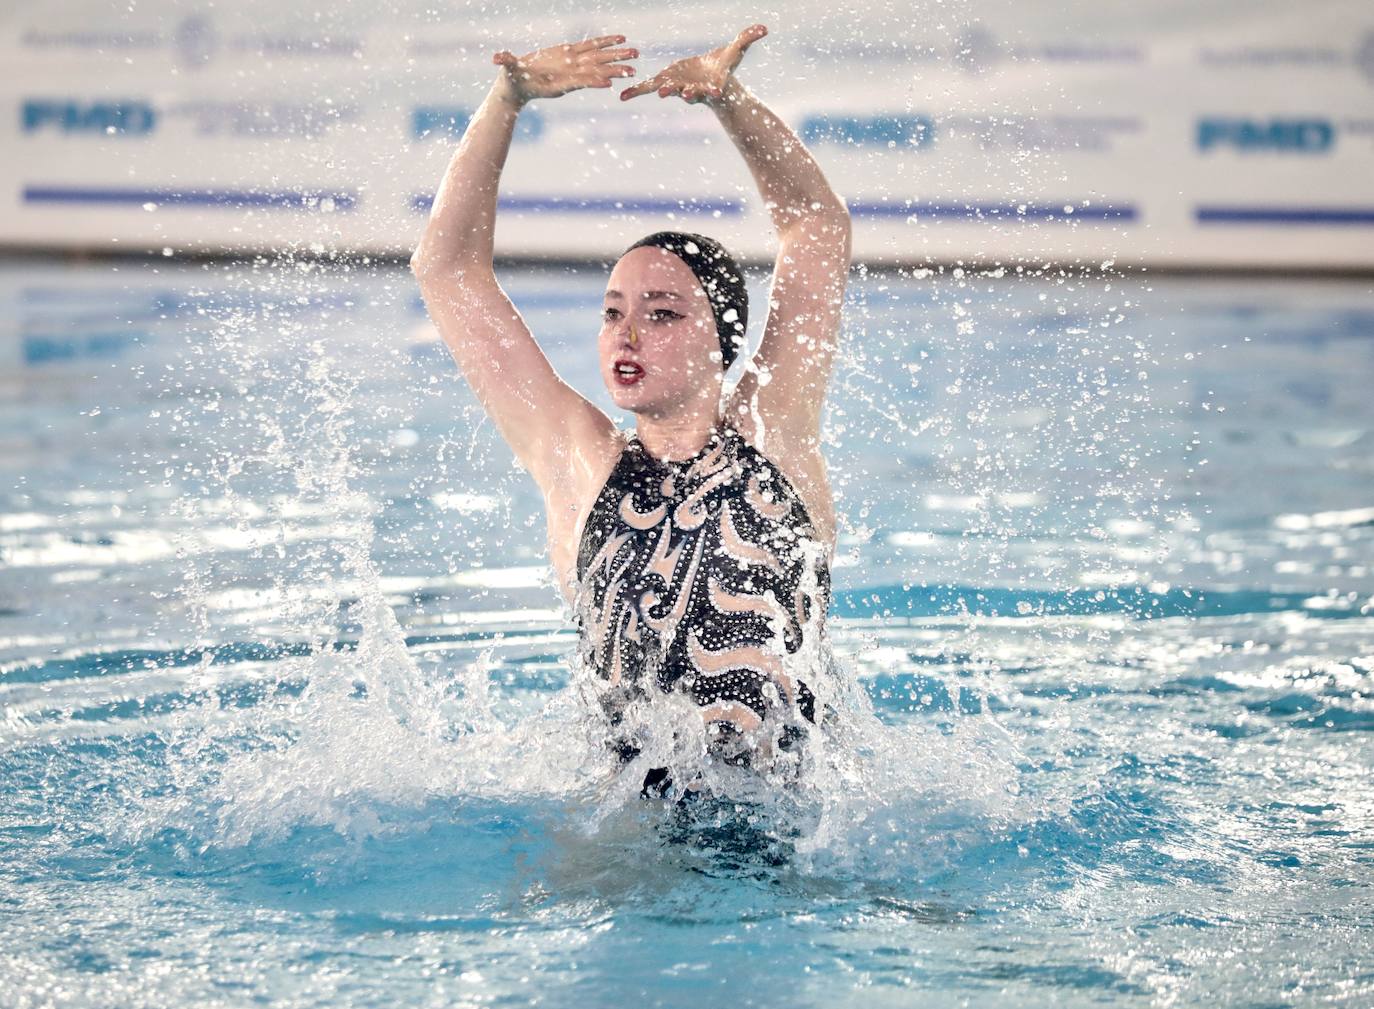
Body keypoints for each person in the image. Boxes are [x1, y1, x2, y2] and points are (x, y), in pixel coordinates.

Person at [411, 25, 851, 796]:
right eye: (614, 311)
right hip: (631, 844)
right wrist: (505, 101)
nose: (627, 333)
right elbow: (447, 270)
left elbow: (815, 229)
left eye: (663, 313)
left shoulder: (769, 435)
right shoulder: (579, 463)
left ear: (724, 340)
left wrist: (731, 102)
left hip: (797, 833)